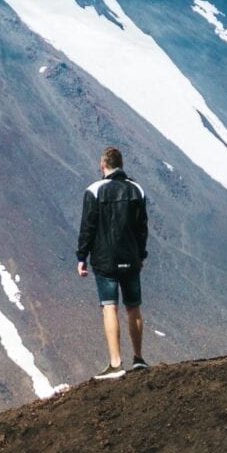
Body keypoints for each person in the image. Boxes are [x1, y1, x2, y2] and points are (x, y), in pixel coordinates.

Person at [76, 145, 148, 379]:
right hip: (131, 257)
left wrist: (81, 257)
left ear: (103, 165)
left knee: (110, 307)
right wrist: (142, 255)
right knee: (133, 307)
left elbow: (88, 227)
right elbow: (142, 228)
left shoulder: (94, 191)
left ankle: (116, 364)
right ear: (122, 164)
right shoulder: (137, 190)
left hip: (105, 260)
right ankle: (138, 359)